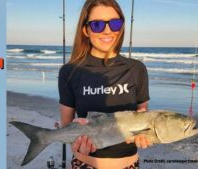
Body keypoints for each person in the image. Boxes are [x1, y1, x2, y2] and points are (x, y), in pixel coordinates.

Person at [58, 0, 152, 168]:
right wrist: (75, 139)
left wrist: (146, 134)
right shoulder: (69, 71)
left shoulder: (137, 69)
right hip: (84, 164)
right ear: (85, 30)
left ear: (122, 27)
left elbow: (144, 117)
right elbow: (66, 126)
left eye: (115, 24)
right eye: (97, 25)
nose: (108, 30)